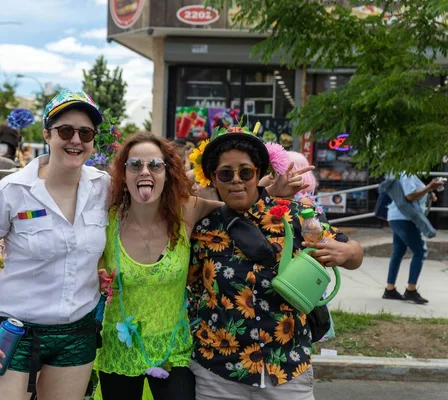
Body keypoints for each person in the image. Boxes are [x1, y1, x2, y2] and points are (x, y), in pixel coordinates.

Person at [94, 133, 310, 400]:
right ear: (123, 173)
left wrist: (273, 193)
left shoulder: (186, 211)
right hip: (120, 347)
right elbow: (86, 256)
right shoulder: (107, 215)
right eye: (135, 164)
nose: (145, 171)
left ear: (168, 173)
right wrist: (98, 274)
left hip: (174, 349)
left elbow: (236, 206)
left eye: (155, 165)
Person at [188, 127, 363, 400]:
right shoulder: (202, 228)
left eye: (245, 172)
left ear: (257, 174)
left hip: (287, 369)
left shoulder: (295, 216)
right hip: (219, 373)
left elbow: (354, 253)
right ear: (213, 178)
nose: (236, 180)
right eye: (225, 173)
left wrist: (345, 252)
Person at [0, 89, 108, 400]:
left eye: (85, 132)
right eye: (65, 130)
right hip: (15, 333)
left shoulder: (104, 188)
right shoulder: (11, 191)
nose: (76, 140)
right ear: (47, 135)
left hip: (76, 334)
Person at [383, 174, 443, 304]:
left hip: (397, 217)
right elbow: (409, 196)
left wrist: (427, 193)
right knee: (420, 251)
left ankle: (390, 288)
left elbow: (411, 194)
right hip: (405, 219)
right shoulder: (407, 174)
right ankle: (411, 290)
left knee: (398, 252)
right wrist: (429, 187)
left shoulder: (403, 172)